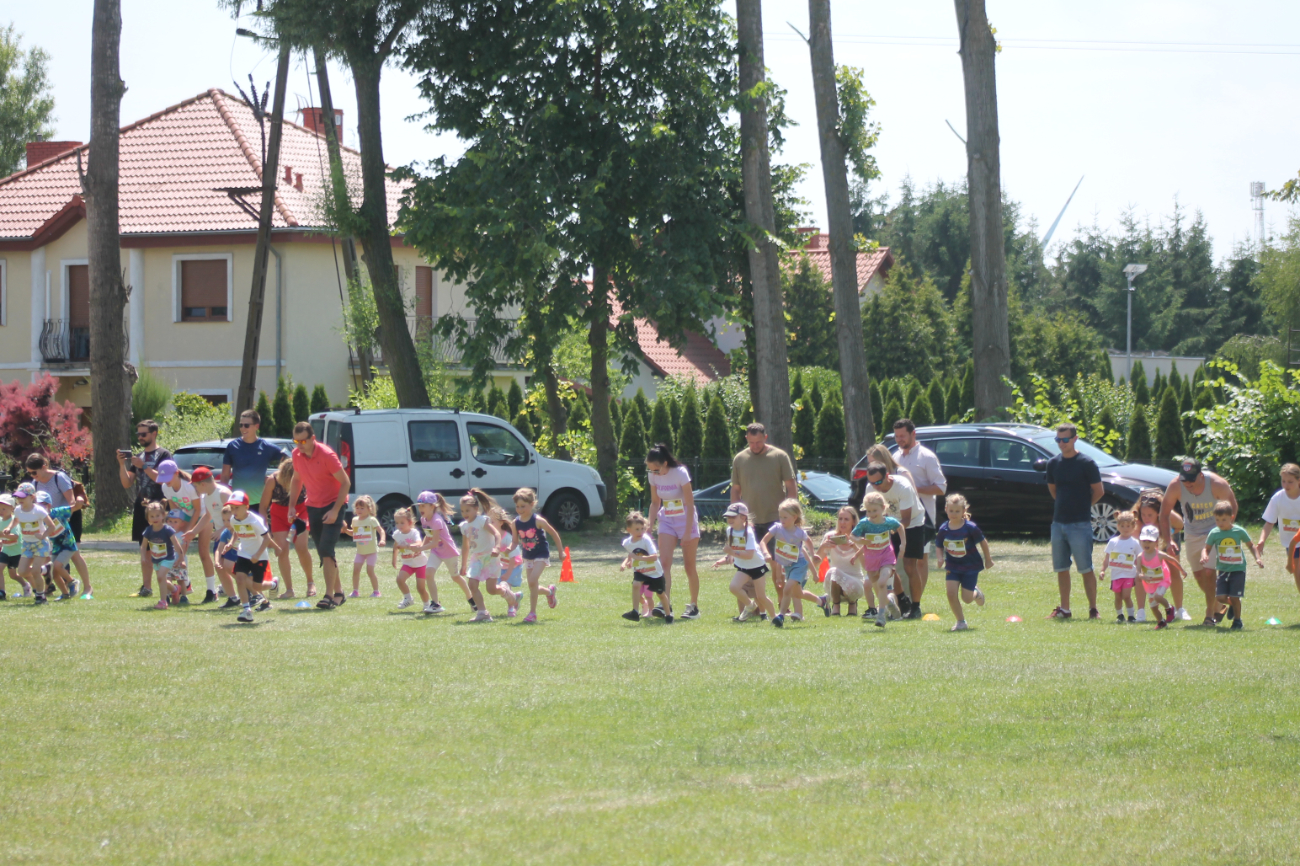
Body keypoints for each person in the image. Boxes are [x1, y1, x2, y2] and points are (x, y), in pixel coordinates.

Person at [1159, 458, 1238, 626]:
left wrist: (1226, 531)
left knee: (1209, 572)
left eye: (1191, 480)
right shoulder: (1175, 486)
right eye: (1184, 479)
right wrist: (1168, 540)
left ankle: (1209, 616)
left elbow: (1233, 506)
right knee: (1199, 576)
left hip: (1214, 532)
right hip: (1192, 534)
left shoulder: (1217, 484)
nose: (1187, 483)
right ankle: (1225, 603)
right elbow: (1164, 513)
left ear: (1201, 475)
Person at [287, 422, 350, 610]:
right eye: (296, 441)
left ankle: (329, 596)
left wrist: (335, 511)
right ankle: (339, 593)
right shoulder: (296, 455)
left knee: (326, 549)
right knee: (324, 552)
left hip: (333, 504)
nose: (299, 445)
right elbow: (297, 479)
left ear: (313, 438)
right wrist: (291, 506)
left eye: (303, 441)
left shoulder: (327, 455)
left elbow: (345, 483)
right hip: (313, 505)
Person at [1045, 423, 1104, 620]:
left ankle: (1093, 609)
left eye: (1065, 439)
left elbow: (1098, 491)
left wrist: (1083, 505)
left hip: (1080, 523)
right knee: (1061, 568)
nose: (1061, 443)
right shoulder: (1053, 463)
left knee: (1085, 568)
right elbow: (1053, 490)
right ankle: (1065, 609)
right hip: (1058, 523)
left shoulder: (1086, 463)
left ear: (1075, 439)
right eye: (1058, 440)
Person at [892, 419, 947, 622]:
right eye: (897, 436)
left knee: (921, 560)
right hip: (900, 518)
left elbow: (941, 487)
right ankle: (904, 601)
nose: (899, 440)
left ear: (913, 434)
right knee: (902, 561)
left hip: (922, 518)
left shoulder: (926, 457)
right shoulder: (896, 456)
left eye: (903, 436)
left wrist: (913, 490)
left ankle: (917, 604)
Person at [730, 423, 797, 575]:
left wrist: (790, 515)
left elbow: (791, 487)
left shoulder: (779, 456)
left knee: (778, 565)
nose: (755, 446)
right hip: (749, 521)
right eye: (751, 442)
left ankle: (782, 599)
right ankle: (753, 599)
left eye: (759, 442)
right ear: (746, 438)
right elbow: (736, 489)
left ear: (765, 437)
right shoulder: (739, 459)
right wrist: (736, 516)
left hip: (776, 519)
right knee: (748, 565)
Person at [116, 419, 172, 597]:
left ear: (154, 434)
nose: (140, 437)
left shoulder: (164, 455)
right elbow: (127, 483)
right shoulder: (138, 457)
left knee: (165, 549)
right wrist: (121, 464)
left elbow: (162, 479)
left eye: (143, 433)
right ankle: (146, 587)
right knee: (145, 547)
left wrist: (145, 466)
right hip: (143, 509)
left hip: (160, 507)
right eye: (138, 434)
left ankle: (170, 586)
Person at [645, 443, 701, 619]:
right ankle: (665, 603)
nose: (653, 473)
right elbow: (655, 503)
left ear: (665, 464)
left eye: (656, 469)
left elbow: (690, 503)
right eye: (650, 470)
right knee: (665, 562)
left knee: (689, 565)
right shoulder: (653, 477)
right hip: (667, 520)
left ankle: (693, 606)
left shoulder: (680, 473)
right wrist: (649, 525)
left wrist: (686, 532)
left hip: (686, 519)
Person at [862, 462, 925, 618]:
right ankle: (903, 601)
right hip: (886, 526)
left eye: (878, 482)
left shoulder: (903, 486)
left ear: (887, 476)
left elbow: (906, 519)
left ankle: (916, 607)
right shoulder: (871, 489)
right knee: (888, 565)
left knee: (910, 566)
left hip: (912, 525)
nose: (875, 486)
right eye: (872, 482)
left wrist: (886, 531)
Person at [935, 493, 992, 632]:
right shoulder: (944, 529)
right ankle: (961, 621)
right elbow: (939, 544)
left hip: (970, 566)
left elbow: (983, 542)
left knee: (966, 599)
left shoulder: (970, 527)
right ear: (946, 509)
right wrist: (940, 558)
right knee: (951, 593)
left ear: (963, 511)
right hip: (953, 566)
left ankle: (976, 593)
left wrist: (988, 559)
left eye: (957, 511)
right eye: (951, 511)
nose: (953, 514)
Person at [1202, 500, 1262, 630]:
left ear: (1231, 517)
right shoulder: (1214, 533)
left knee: (1235, 596)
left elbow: (1251, 545)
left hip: (1238, 569)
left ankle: (1237, 621)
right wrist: (1204, 555)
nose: (1220, 523)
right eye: (1217, 520)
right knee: (1220, 597)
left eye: (1224, 519)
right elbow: (1206, 548)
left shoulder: (1239, 531)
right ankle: (1233, 605)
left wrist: (1257, 558)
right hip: (1223, 569)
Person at [715, 502, 775, 622]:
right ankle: (750, 605)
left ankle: (775, 618)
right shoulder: (729, 530)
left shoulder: (748, 533)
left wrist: (732, 553)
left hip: (757, 566)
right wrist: (727, 558)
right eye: (728, 517)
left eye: (733, 516)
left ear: (743, 518)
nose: (730, 519)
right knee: (734, 587)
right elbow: (733, 547)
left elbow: (749, 555)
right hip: (743, 566)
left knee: (761, 597)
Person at [851, 491, 904, 627]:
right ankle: (889, 602)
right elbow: (853, 536)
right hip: (871, 559)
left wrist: (903, 544)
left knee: (882, 583)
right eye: (868, 511)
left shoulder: (889, 522)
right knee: (878, 589)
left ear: (883, 508)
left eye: (875, 510)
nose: (871, 514)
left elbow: (900, 527)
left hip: (886, 556)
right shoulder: (864, 524)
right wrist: (861, 541)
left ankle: (881, 615)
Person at [227, 490, 281, 623]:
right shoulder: (234, 519)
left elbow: (267, 538)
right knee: (240, 579)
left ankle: (273, 584)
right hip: (244, 553)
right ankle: (247, 610)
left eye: (237, 508)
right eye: (232, 508)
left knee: (257, 587)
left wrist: (258, 554)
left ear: (246, 507)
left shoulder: (255, 520)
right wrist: (231, 542)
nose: (234, 511)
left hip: (259, 556)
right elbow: (236, 531)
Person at [764, 498, 820, 627]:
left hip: (799, 564)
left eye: (785, 517)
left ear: (794, 517)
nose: (782, 520)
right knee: (798, 593)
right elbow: (766, 544)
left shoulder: (799, 532)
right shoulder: (777, 528)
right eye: (780, 517)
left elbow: (809, 541)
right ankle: (821, 601)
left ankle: (781, 616)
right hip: (788, 566)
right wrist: (766, 553)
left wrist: (813, 554)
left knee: (787, 588)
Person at [262, 461, 313, 600]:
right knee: (281, 550)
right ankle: (289, 589)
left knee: (301, 547)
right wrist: (264, 525)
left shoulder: (304, 476)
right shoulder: (273, 480)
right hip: (279, 515)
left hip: (301, 511)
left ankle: (310, 583)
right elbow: (263, 506)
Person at [458, 489, 511, 621]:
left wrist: (497, 547)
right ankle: (483, 613)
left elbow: (497, 534)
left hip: (491, 557)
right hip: (477, 558)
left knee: (491, 589)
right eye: (462, 511)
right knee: (472, 585)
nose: (465, 514)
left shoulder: (482, 521)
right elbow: (465, 546)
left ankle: (507, 593)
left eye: (467, 510)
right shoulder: (464, 526)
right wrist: (463, 564)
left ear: (476, 509)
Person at [510, 488, 562, 623]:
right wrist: (507, 549)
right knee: (533, 586)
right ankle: (549, 592)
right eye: (517, 507)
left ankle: (532, 613)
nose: (520, 509)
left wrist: (561, 551)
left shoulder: (538, 520)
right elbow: (515, 541)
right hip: (528, 555)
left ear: (532, 504)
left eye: (523, 506)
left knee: (532, 581)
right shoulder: (515, 523)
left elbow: (554, 534)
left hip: (541, 554)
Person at [416, 491, 472, 612]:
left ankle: (471, 599)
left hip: (449, 553)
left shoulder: (436, 520)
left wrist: (420, 549)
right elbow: (429, 536)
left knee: (455, 577)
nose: (420, 508)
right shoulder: (423, 519)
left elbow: (435, 542)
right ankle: (436, 604)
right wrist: (420, 546)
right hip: (436, 552)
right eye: (419, 506)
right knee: (429, 574)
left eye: (423, 505)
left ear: (432, 506)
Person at [1135, 492, 1186, 622]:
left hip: (1167, 540)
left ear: (1158, 512)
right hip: (1146, 545)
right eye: (1143, 514)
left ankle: (1180, 609)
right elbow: (1133, 534)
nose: (1146, 518)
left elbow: (1180, 525)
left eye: (1150, 515)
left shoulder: (1166, 514)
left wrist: (1168, 536)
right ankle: (1140, 611)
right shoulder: (1137, 519)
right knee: (1141, 575)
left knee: (1174, 572)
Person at [186, 466, 232, 603]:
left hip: (233, 536)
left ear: (203, 484)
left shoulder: (223, 493)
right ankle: (232, 597)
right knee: (220, 567)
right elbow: (207, 516)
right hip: (221, 536)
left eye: (195, 486)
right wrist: (193, 531)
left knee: (232, 567)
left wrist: (222, 529)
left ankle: (251, 592)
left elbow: (236, 516)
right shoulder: (206, 496)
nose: (195, 489)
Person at [220, 409, 282, 511]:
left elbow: (289, 461)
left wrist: (274, 478)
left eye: (246, 425)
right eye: (241, 425)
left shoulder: (266, 447)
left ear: (256, 426)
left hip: (260, 503)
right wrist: (222, 497)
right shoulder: (232, 446)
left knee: (258, 527)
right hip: (237, 502)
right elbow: (225, 475)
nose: (243, 428)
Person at [13, 482, 62, 605]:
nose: (19, 499)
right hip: (26, 544)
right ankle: (45, 569)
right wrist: (9, 527)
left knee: (35, 571)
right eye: (18, 497)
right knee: (22, 572)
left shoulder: (39, 510)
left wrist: (43, 535)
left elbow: (51, 526)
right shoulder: (18, 510)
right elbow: (16, 520)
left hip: (40, 544)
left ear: (32, 497)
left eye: (23, 497)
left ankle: (41, 596)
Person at [621, 511, 671, 623]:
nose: (640, 532)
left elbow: (654, 557)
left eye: (642, 528)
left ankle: (668, 615)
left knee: (661, 594)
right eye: (637, 529)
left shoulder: (646, 540)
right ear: (629, 530)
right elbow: (631, 553)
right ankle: (635, 612)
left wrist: (638, 559)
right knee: (636, 584)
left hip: (654, 571)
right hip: (640, 570)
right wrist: (627, 562)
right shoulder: (626, 543)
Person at [1259, 464, 1300, 599]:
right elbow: (1270, 522)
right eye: (1283, 481)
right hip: (1291, 543)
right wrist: (1262, 540)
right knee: (1298, 576)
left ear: (1298, 480)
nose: (1286, 485)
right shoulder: (1278, 498)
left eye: (1290, 482)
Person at [817, 506, 867, 617]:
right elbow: (816, 563)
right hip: (834, 585)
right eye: (840, 519)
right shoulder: (830, 537)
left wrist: (855, 547)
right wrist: (822, 547)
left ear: (853, 521)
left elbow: (866, 566)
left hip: (854, 584)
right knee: (833, 571)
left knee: (837, 574)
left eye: (846, 519)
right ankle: (836, 605)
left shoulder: (860, 539)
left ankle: (852, 603)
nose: (842, 522)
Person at [38, 490, 88, 600]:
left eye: (41, 504)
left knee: (57, 565)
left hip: (68, 544)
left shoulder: (58, 512)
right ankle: (65, 594)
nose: (39, 508)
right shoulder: (38, 519)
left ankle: (72, 581)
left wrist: (79, 499)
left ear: (49, 505)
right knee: (54, 573)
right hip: (56, 546)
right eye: (36, 505)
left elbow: (76, 507)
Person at [26, 453, 86, 544]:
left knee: (73, 554)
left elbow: (71, 502)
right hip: (51, 522)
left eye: (34, 472)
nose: (32, 475)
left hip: (68, 519)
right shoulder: (35, 483)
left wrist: (64, 521)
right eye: (29, 473)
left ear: (43, 467)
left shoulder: (59, 477)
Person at [139, 500, 183, 611]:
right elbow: (144, 546)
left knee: (160, 577)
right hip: (156, 559)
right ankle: (174, 589)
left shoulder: (167, 530)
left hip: (168, 558)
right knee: (162, 579)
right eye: (152, 516)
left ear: (163, 515)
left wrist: (181, 557)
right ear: (148, 518)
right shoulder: (148, 531)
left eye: (157, 515)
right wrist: (143, 557)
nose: (155, 518)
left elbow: (176, 544)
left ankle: (163, 602)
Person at [1100, 511, 1142, 623]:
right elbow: (1107, 558)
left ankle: (1131, 616)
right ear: (1118, 526)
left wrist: (1139, 570)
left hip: (1129, 574)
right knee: (1118, 597)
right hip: (1116, 574)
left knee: (1126, 596)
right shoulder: (1113, 542)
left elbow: (1140, 557)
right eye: (1122, 526)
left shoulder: (1135, 542)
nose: (1125, 528)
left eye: (1128, 526)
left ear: (1133, 526)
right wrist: (1103, 570)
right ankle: (1120, 616)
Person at [1137, 524, 1182, 629]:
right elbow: (1138, 572)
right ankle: (1161, 622)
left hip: (1163, 580)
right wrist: (1142, 577)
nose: (1146, 543)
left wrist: (1182, 570)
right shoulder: (1140, 556)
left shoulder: (1159, 554)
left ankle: (1169, 608)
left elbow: (1172, 560)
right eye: (1144, 541)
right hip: (1150, 583)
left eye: (1150, 541)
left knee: (1157, 596)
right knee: (1153, 607)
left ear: (1156, 542)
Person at [391, 507, 434, 613]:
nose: (399, 525)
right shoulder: (397, 534)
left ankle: (426, 604)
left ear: (409, 522)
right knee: (400, 580)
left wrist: (408, 546)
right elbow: (395, 546)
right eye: (397, 523)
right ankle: (408, 598)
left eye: (402, 523)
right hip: (408, 563)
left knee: (420, 588)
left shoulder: (413, 532)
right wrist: (394, 559)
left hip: (420, 563)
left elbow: (419, 543)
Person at [343, 495, 383, 598]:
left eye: (362, 508)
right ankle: (355, 591)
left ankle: (376, 591)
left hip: (371, 551)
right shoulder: (355, 520)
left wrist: (382, 539)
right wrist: (346, 530)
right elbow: (354, 533)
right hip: (360, 551)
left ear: (369, 509)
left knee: (370, 571)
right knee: (356, 570)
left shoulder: (372, 520)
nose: (359, 510)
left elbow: (380, 530)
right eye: (357, 508)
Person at [0, 494, 30, 600]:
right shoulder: (0, 521)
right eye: (0, 509)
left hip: (17, 552)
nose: (1, 511)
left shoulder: (13, 521)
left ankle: (27, 586)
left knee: (14, 575)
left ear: (12, 509)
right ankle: (2, 592)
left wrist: (3, 535)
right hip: (5, 551)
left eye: (4, 509)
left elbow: (15, 537)